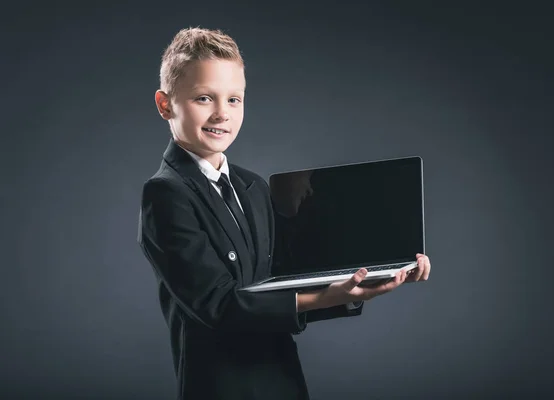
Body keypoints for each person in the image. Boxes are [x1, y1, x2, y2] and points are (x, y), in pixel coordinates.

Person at [137, 27, 432, 400]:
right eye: (203, 98)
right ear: (166, 105)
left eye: (234, 99)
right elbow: (218, 306)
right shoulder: (165, 194)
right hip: (221, 387)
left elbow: (280, 291)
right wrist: (325, 297)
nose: (221, 113)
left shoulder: (254, 187)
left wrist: (358, 289)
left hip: (282, 380)